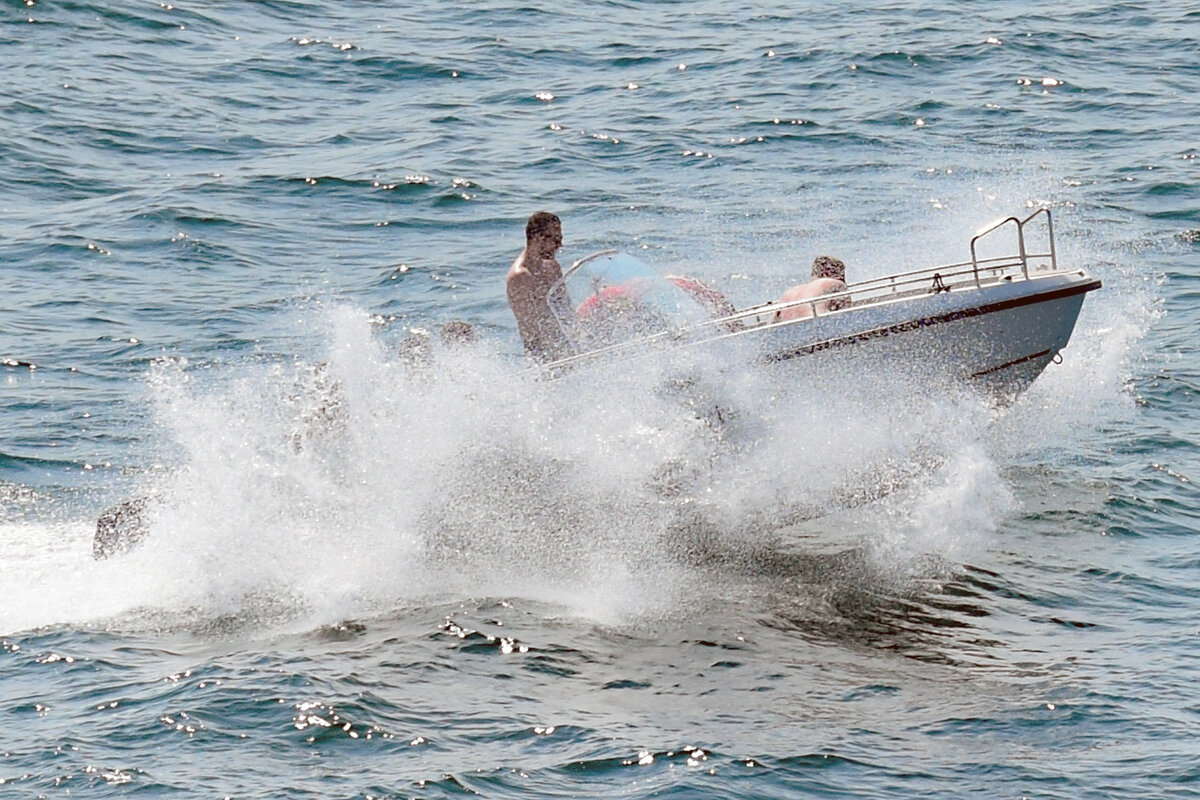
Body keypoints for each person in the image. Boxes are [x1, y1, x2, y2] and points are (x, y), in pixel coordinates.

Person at [507, 211, 569, 361]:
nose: (560, 245)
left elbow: (566, 307)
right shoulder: (520, 276)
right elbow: (533, 327)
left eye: (560, 239)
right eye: (555, 239)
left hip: (564, 341)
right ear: (538, 238)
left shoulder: (553, 267)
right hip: (540, 352)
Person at [775, 255, 849, 321]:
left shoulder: (790, 292)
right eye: (842, 276)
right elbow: (848, 313)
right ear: (826, 273)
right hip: (818, 327)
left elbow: (772, 322)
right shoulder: (833, 283)